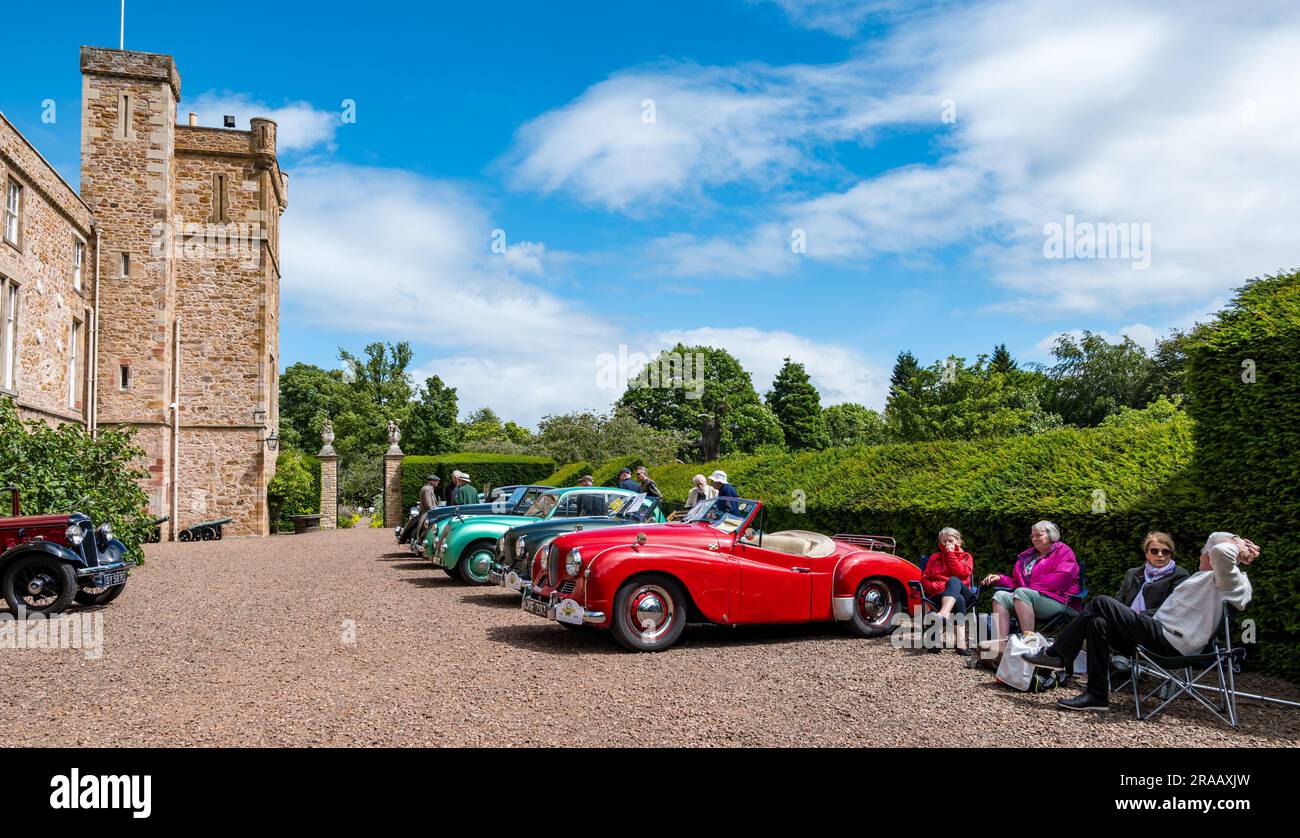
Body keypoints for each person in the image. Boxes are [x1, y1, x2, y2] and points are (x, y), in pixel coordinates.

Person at [1025, 532, 1257, 712]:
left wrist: (1236, 543)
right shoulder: (1210, 578)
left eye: (1203, 551)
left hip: (1171, 643)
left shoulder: (1230, 580)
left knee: (1101, 602)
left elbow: (1221, 552)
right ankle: (1096, 695)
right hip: (1158, 634)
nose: (1200, 555)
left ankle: (1057, 654)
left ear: (1212, 555)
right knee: (1097, 623)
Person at [980, 521, 1080, 642]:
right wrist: (1000, 578)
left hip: (1059, 600)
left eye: (1038, 535)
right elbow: (1019, 583)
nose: (1034, 539)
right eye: (1032, 536)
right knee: (999, 596)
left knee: (1022, 593)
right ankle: (1001, 643)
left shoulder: (1063, 551)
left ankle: (1029, 641)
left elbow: (1063, 577)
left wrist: (1027, 590)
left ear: (1051, 535)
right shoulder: (1028, 557)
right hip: (1029, 598)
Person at [920, 528, 976, 655]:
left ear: (959, 542)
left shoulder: (966, 557)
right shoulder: (935, 558)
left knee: (954, 580)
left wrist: (950, 555)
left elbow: (963, 573)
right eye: (944, 541)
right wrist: (937, 586)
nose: (947, 544)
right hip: (939, 595)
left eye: (950, 541)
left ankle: (942, 615)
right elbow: (924, 579)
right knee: (958, 599)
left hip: (964, 591)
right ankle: (961, 645)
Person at [1117, 531, 1189, 615]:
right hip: (1126, 618)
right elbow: (1119, 600)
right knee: (1100, 620)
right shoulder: (1133, 573)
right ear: (1146, 554)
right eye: (1154, 551)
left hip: (1153, 621)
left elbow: (1172, 608)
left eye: (1165, 552)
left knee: (1102, 600)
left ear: (1171, 554)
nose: (1160, 555)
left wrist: (1138, 614)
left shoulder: (1180, 575)